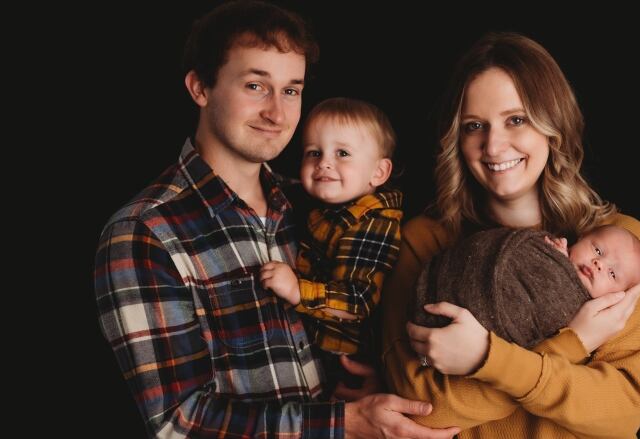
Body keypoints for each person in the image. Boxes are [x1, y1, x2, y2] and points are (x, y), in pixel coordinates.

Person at [94, 2, 459, 438]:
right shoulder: (145, 232)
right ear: (200, 87)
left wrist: (368, 385)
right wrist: (346, 424)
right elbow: (180, 423)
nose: (278, 113)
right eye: (255, 85)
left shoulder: (311, 203)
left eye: (291, 90)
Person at [381, 32, 640, 438]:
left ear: (553, 125)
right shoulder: (425, 243)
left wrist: (485, 360)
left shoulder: (620, 246)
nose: (494, 146)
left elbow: (622, 411)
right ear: (455, 140)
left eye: (516, 119)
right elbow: (427, 408)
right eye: (475, 126)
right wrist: (573, 345)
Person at [260, 97, 402, 391]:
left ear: (379, 172)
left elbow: (358, 301)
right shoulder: (326, 209)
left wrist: (298, 290)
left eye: (342, 153)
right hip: (318, 349)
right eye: (313, 152)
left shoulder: (372, 221)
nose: (323, 162)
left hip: (350, 358)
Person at [412, 225, 640, 349]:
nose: (599, 264)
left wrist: (576, 338)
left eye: (612, 273)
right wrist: (552, 257)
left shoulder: (602, 322)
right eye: (597, 250)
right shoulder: (544, 247)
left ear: (617, 299)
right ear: (581, 237)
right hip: (434, 320)